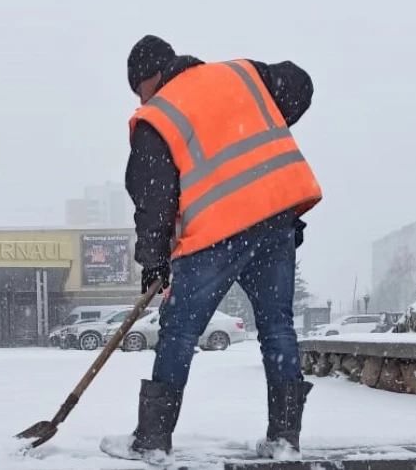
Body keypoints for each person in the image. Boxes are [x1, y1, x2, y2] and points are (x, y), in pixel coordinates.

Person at [100, 35, 322, 465]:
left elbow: (153, 199)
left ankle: (152, 440)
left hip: (216, 234)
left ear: (152, 77)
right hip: (275, 219)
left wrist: (154, 265)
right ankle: (284, 439)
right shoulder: (239, 74)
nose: (138, 99)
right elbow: (300, 83)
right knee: (277, 327)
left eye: (137, 89)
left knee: (179, 331)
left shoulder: (157, 116)